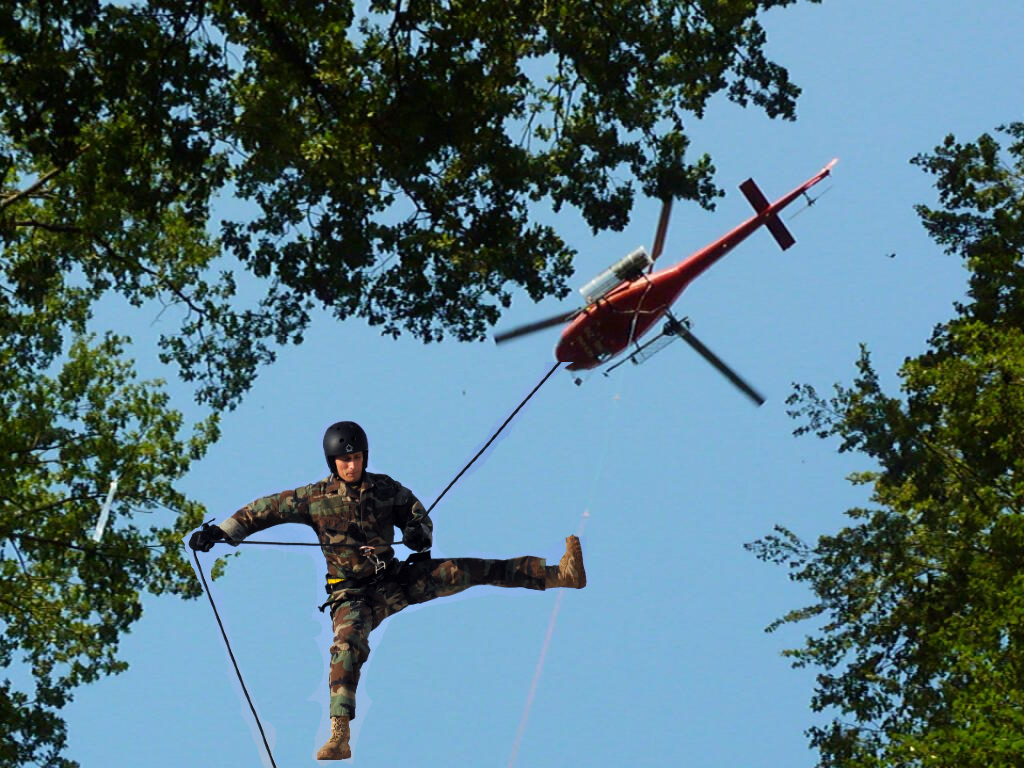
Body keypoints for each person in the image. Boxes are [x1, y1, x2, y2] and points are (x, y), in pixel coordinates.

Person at [189, 420, 586, 761]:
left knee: (467, 570)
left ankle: (558, 574)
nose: (352, 464)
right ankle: (339, 733)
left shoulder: (386, 489)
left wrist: (417, 535)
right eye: (345, 460)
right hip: (351, 596)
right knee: (347, 645)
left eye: (358, 457)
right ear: (333, 463)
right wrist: (220, 533)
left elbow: (419, 521)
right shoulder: (313, 499)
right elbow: (264, 510)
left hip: (395, 580)